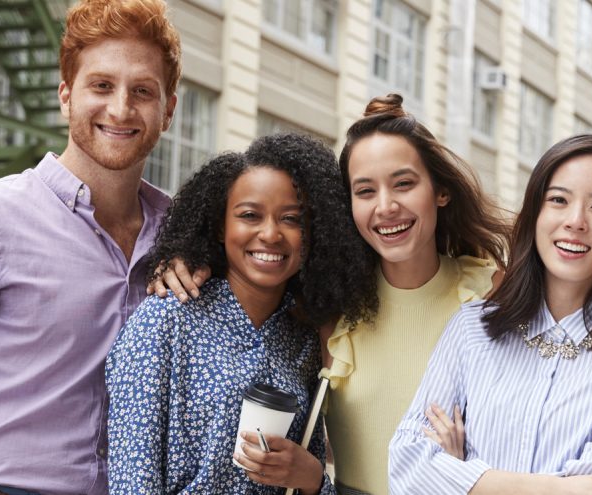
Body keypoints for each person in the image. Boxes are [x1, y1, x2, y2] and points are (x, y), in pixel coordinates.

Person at [149, 94, 510, 495]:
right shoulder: (329, 307)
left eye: (404, 184)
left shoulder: (492, 292)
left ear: (440, 190)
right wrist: (187, 259)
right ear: (346, 207)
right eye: (365, 190)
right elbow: (258, 266)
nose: (386, 206)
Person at [0, 0, 180, 493]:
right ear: (66, 96)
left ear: (168, 110)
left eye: (142, 91)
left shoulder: (183, 236)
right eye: (101, 85)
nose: (120, 108)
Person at [388, 134, 592, 495]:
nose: (575, 221)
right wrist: (562, 488)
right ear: (535, 214)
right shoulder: (471, 328)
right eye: (558, 200)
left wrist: (464, 477)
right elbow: (407, 463)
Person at [106, 133, 372, 493]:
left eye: (292, 219)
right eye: (250, 215)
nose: (271, 234)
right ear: (220, 225)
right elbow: (132, 480)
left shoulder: (305, 340)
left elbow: (302, 478)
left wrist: (312, 478)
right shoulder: (165, 320)